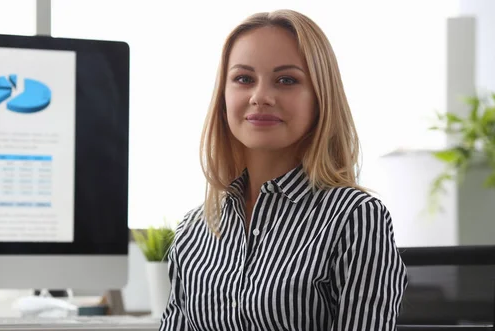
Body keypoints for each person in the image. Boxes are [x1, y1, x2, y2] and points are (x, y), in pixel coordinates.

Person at [159, 9, 408, 331]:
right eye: (243, 79)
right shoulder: (193, 231)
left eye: (286, 80)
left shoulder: (355, 217)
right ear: (223, 95)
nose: (260, 97)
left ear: (321, 97)